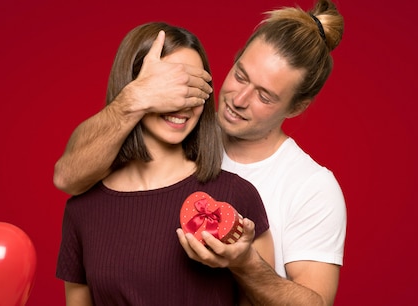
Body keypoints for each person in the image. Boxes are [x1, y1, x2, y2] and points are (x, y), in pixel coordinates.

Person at [54, 0, 346, 305]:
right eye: (241, 75)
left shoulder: (308, 187)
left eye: (264, 95)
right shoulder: (97, 197)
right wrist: (138, 95)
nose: (240, 98)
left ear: (297, 107)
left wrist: (245, 262)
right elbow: (67, 176)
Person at [55, 22, 274, 306]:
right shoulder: (82, 210)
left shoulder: (236, 196)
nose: (182, 103)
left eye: (194, 89)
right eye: (170, 87)